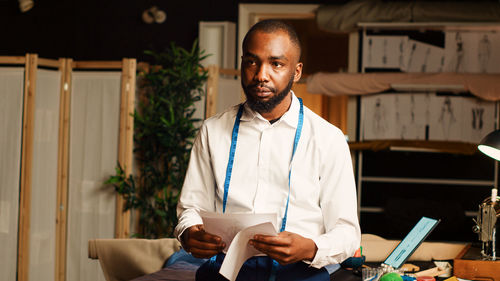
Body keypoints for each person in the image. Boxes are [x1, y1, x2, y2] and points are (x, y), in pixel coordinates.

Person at [174, 19, 360, 281]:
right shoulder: (212, 130)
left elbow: (347, 232)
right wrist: (189, 233)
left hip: (301, 274)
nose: (261, 74)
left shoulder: (329, 139)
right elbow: (191, 208)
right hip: (225, 272)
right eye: (251, 61)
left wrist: (310, 247)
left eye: (276, 64)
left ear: (296, 72)